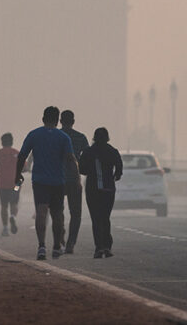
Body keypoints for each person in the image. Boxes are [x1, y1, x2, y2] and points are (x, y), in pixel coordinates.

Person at [16, 106, 78, 260]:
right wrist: (76, 180)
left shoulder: (34, 135)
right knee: (57, 214)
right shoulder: (63, 137)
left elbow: (22, 155)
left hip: (40, 181)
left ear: (43, 119)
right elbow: (71, 159)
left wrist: (17, 175)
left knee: (41, 212)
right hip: (58, 181)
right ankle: (57, 246)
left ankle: (42, 246)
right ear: (57, 121)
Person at [80, 127, 123, 259]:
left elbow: (82, 169)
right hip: (108, 189)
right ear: (107, 138)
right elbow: (119, 171)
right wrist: (113, 177)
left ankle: (99, 247)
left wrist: (92, 172)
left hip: (93, 189)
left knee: (96, 219)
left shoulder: (88, 152)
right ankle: (107, 246)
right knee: (105, 217)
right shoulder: (113, 151)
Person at [59, 109, 90, 254]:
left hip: (57, 178)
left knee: (57, 210)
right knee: (76, 213)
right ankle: (71, 243)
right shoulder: (80, 137)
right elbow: (88, 156)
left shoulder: (56, 136)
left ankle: (60, 233)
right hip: (74, 178)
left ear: (60, 121)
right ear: (73, 122)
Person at [0, 133, 21, 236]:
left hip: (2, 184)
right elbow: (25, 167)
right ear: (12, 141)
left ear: (2, 142)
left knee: (4, 206)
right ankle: (13, 216)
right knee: (14, 203)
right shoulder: (16, 153)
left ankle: (5, 228)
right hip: (16, 184)